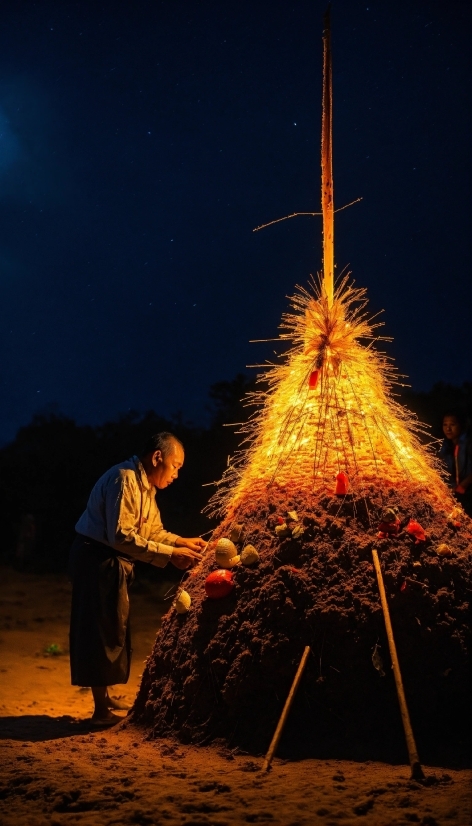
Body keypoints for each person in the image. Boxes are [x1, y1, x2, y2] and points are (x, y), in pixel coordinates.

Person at [69, 432, 205, 727]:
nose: (176, 474)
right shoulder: (124, 479)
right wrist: (170, 554)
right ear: (158, 457)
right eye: (176, 465)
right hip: (97, 559)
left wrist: (181, 541)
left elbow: (152, 531)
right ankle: (99, 711)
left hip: (112, 560)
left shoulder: (145, 488)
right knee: (99, 630)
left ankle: (105, 696)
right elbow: (121, 535)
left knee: (115, 626)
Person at [439, 412, 472, 516]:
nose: (448, 429)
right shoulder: (445, 446)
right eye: (445, 425)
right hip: (457, 494)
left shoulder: (468, 444)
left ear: (461, 425)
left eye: (452, 425)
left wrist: (463, 485)